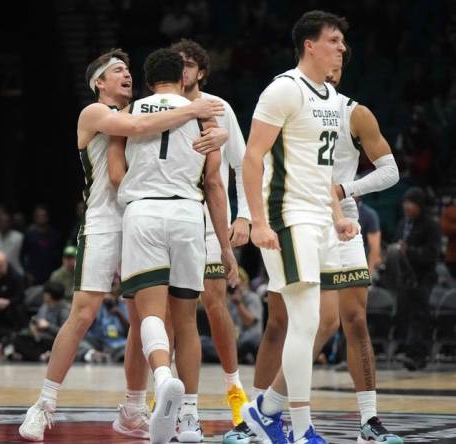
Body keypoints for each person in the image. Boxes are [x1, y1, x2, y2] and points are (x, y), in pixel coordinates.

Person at [19, 47, 226, 442]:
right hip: (103, 221)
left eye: (129, 70)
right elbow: (134, 131)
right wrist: (195, 110)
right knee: (83, 312)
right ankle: (43, 404)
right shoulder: (95, 114)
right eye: (117, 71)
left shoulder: (141, 111)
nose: (126, 75)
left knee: (142, 320)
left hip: (140, 218)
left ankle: (133, 408)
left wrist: (220, 131)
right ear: (99, 82)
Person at [242, 58, 403, 444]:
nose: (336, 60)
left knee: (352, 320)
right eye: (332, 45)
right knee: (292, 322)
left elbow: (390, 171)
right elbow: (256, 160)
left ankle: (368, 419)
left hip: (338, 219)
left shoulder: (353, 111)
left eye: (343, 52)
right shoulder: (291, 97)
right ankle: (264, 414)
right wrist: (251, 217)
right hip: (299, 216)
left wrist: (346, 191)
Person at [108, 47, 236, 444]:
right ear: (184, 79)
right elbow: (215, 185)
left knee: (149, 313)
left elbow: (115, 177)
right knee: (185, 321)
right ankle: (191, 419)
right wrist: (227, 247)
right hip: (187, 216)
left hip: (143, 212)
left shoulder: (127, 115)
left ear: (147, 83)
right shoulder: (205, 118)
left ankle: (162, 377)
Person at [240, 10, 355, 444]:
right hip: (288, 218)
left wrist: (338, 215)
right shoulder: (283, 90)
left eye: (343, 42)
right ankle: (301, 427)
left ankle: (267, 409)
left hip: (319, 219)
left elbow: (321, 168)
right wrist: (257, 222)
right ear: (310, 44)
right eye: (334, 40)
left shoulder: (329, 96)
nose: (342, 48)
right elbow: (252, 158)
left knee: (324, 321)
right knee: (304, 322)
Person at [170, 38, 252, 431]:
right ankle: (166, 394)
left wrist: (246, 217)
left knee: (215, 302)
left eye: (188, 64)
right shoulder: (158, 109)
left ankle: (235, 388)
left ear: (201, 71)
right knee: (171, 311)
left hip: (209, 218)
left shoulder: (220, 108)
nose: (181, 70)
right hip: (169, 217)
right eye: (176, 64)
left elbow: (245, 163)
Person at [389, 187, 440, 372]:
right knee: (403, 314)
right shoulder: (403, 223)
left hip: (423, 278)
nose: (406, 206)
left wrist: (409, 251)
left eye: (410, 203)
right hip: (404, 277)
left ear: (419, 205)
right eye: (404, 202)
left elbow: (433, 253)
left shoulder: (431, 224)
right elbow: (396, 243)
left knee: (420, 315)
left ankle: (419, 355)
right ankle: (407, 352)